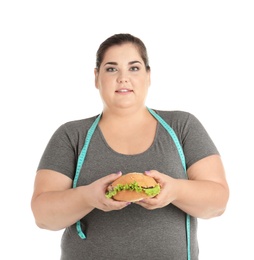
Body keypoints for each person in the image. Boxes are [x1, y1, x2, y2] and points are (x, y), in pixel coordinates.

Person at [31, 33, 229, 260]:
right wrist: (88, 197)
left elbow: (218, 203)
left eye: (134, 68)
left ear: (148, 75)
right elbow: (43, 216)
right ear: (96, 77)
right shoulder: (71, 135)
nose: (123, 78)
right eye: (111, 69)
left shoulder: (182, 126)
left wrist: (175, 190)